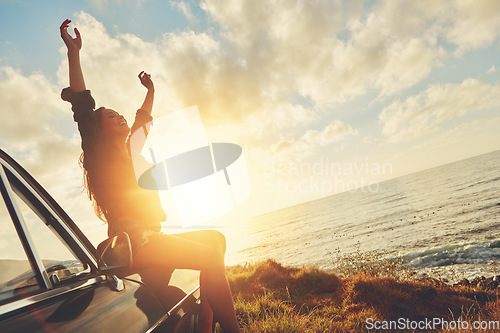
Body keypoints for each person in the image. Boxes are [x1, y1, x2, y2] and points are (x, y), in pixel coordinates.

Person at [59, 19, 241, 333]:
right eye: (110, 116)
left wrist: (151, 90)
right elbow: (82, 106)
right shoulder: (99, 156)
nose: (119, 116)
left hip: (151, 239)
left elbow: (143, 121)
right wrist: (74, 53)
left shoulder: (132, 151)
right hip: (133, 247)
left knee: (217, 240)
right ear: (98, 130)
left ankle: (207, 327)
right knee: (210, 256)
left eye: (119, 113)